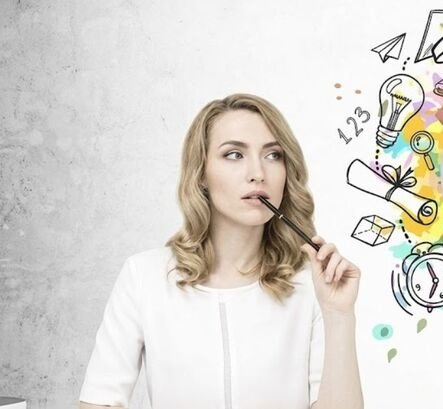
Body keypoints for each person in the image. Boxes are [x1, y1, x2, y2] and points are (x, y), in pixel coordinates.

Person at [78, 94, 363, 409]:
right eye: (234, 154)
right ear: (201, 173)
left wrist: (339, 315)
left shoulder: (311, 285)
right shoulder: (144, 276)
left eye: (273, 155)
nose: (258, 173)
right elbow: (99, 402)